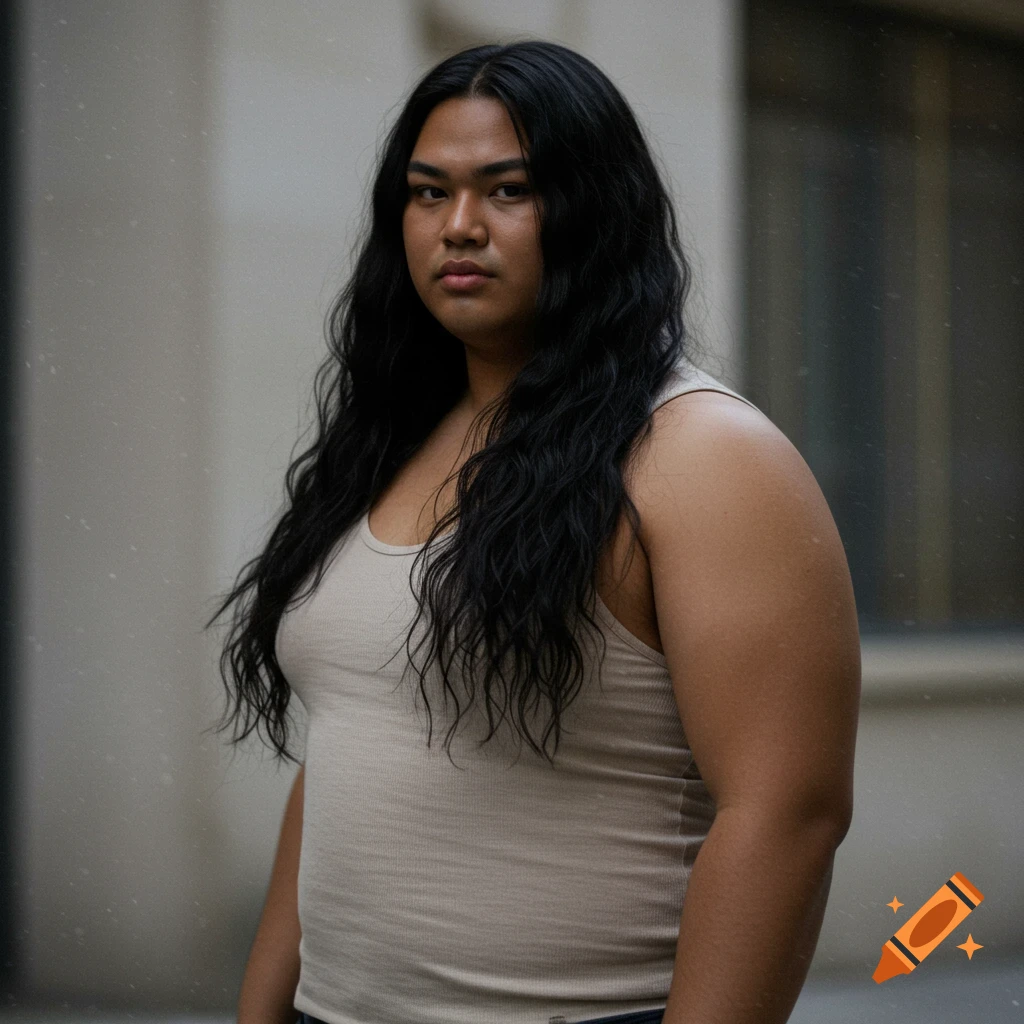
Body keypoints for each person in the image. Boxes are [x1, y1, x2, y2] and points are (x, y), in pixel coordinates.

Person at [208, 40, 861, 1024]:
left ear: (594, 209)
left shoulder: (701, 455)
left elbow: (786, 814)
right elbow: (349, 750)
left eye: (506, 190)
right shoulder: (390, 443)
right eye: (428, 194)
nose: (458, 227)